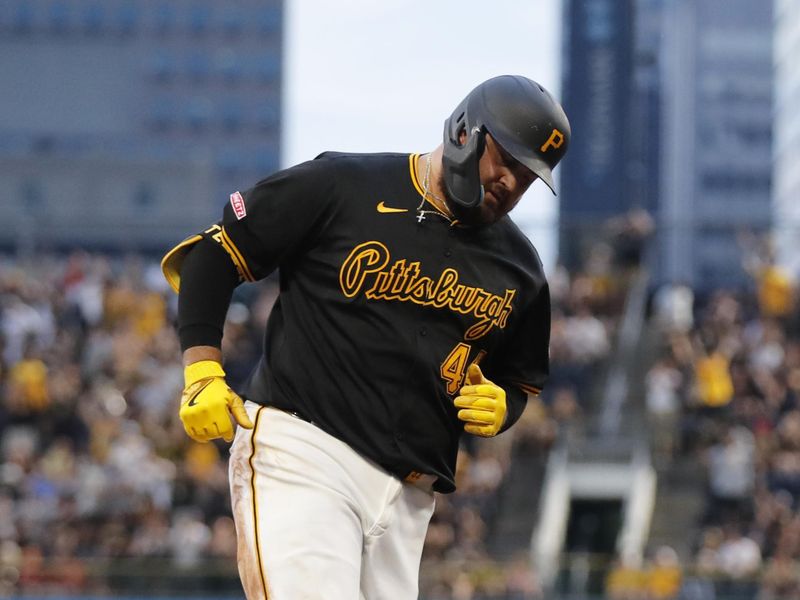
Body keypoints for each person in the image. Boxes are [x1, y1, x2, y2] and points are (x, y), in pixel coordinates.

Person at [161, 74, 570, 599]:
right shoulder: (343, 184)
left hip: (409, 501)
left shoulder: (521, 269)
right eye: (507, 160)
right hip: (307, 451)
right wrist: (201, 370)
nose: (512, 182)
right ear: (467, 132)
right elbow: (214, 257)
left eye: (529, 176)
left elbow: (521, 378)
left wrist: (505, 404)